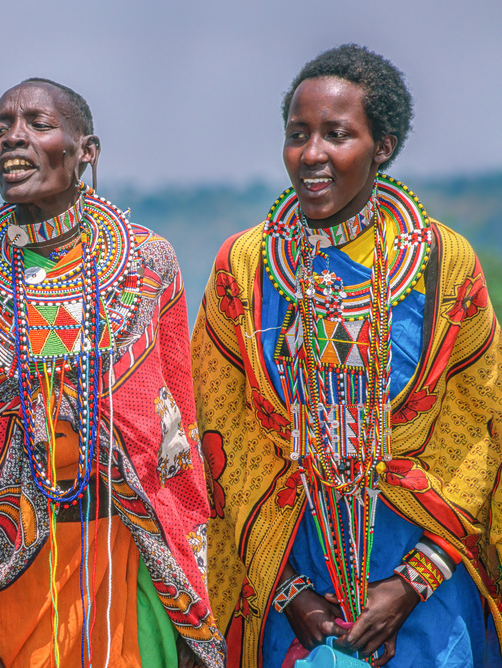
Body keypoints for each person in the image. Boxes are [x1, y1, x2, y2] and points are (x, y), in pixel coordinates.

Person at [193, 44, 502, 667]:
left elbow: (480, 429)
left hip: (424, 571)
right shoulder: (244, 269)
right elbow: (223, 432)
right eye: (298, 135)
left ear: (382, 146)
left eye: (337, 135)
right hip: (292, 571)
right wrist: (290, 593)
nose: (312, 155)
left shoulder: (445, 264)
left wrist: (412, 581)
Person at [0, 78, 224, 668]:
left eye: (38, 124)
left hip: (133, 557)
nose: (13, 138)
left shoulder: (146, 263)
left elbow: (177, 438)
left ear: (86, 149)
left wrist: (191, 607)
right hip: (12, 573)